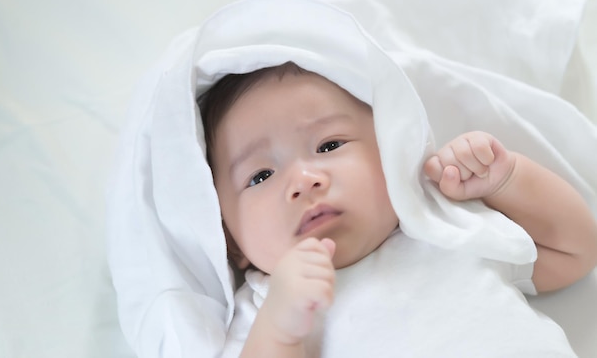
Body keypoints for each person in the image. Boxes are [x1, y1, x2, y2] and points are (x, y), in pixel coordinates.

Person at [197, 61, 597, 357]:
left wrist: (508, 182)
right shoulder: (267, 308)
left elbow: (575, 254)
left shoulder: (443, 227)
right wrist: (281, 330)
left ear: (391, 151)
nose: (304, 179)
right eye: (260, 175)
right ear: (231, 242)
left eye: (329, 146)